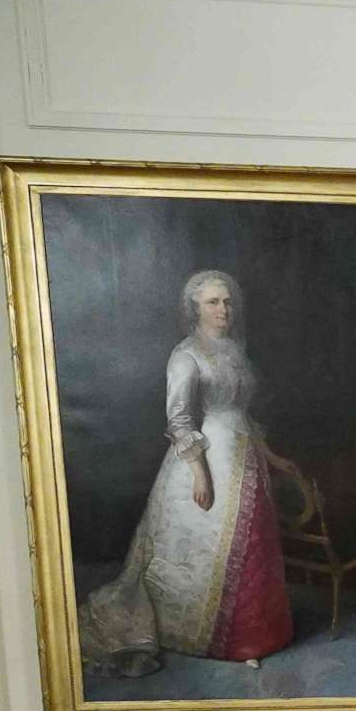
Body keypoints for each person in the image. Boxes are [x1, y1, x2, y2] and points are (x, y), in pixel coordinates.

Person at [79, 270, 295, 677]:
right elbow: (179, 418)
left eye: (227, 301)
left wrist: (272, 456)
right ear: (194, 308)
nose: (223, 309)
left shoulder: (234, 350)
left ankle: (258, 637)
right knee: (207, 551)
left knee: (254, 546)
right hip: (207, 458)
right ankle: (217, 640)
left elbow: (244, 414)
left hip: (245, 459)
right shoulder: (185, 354)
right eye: (213, 302)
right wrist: (199, 472)